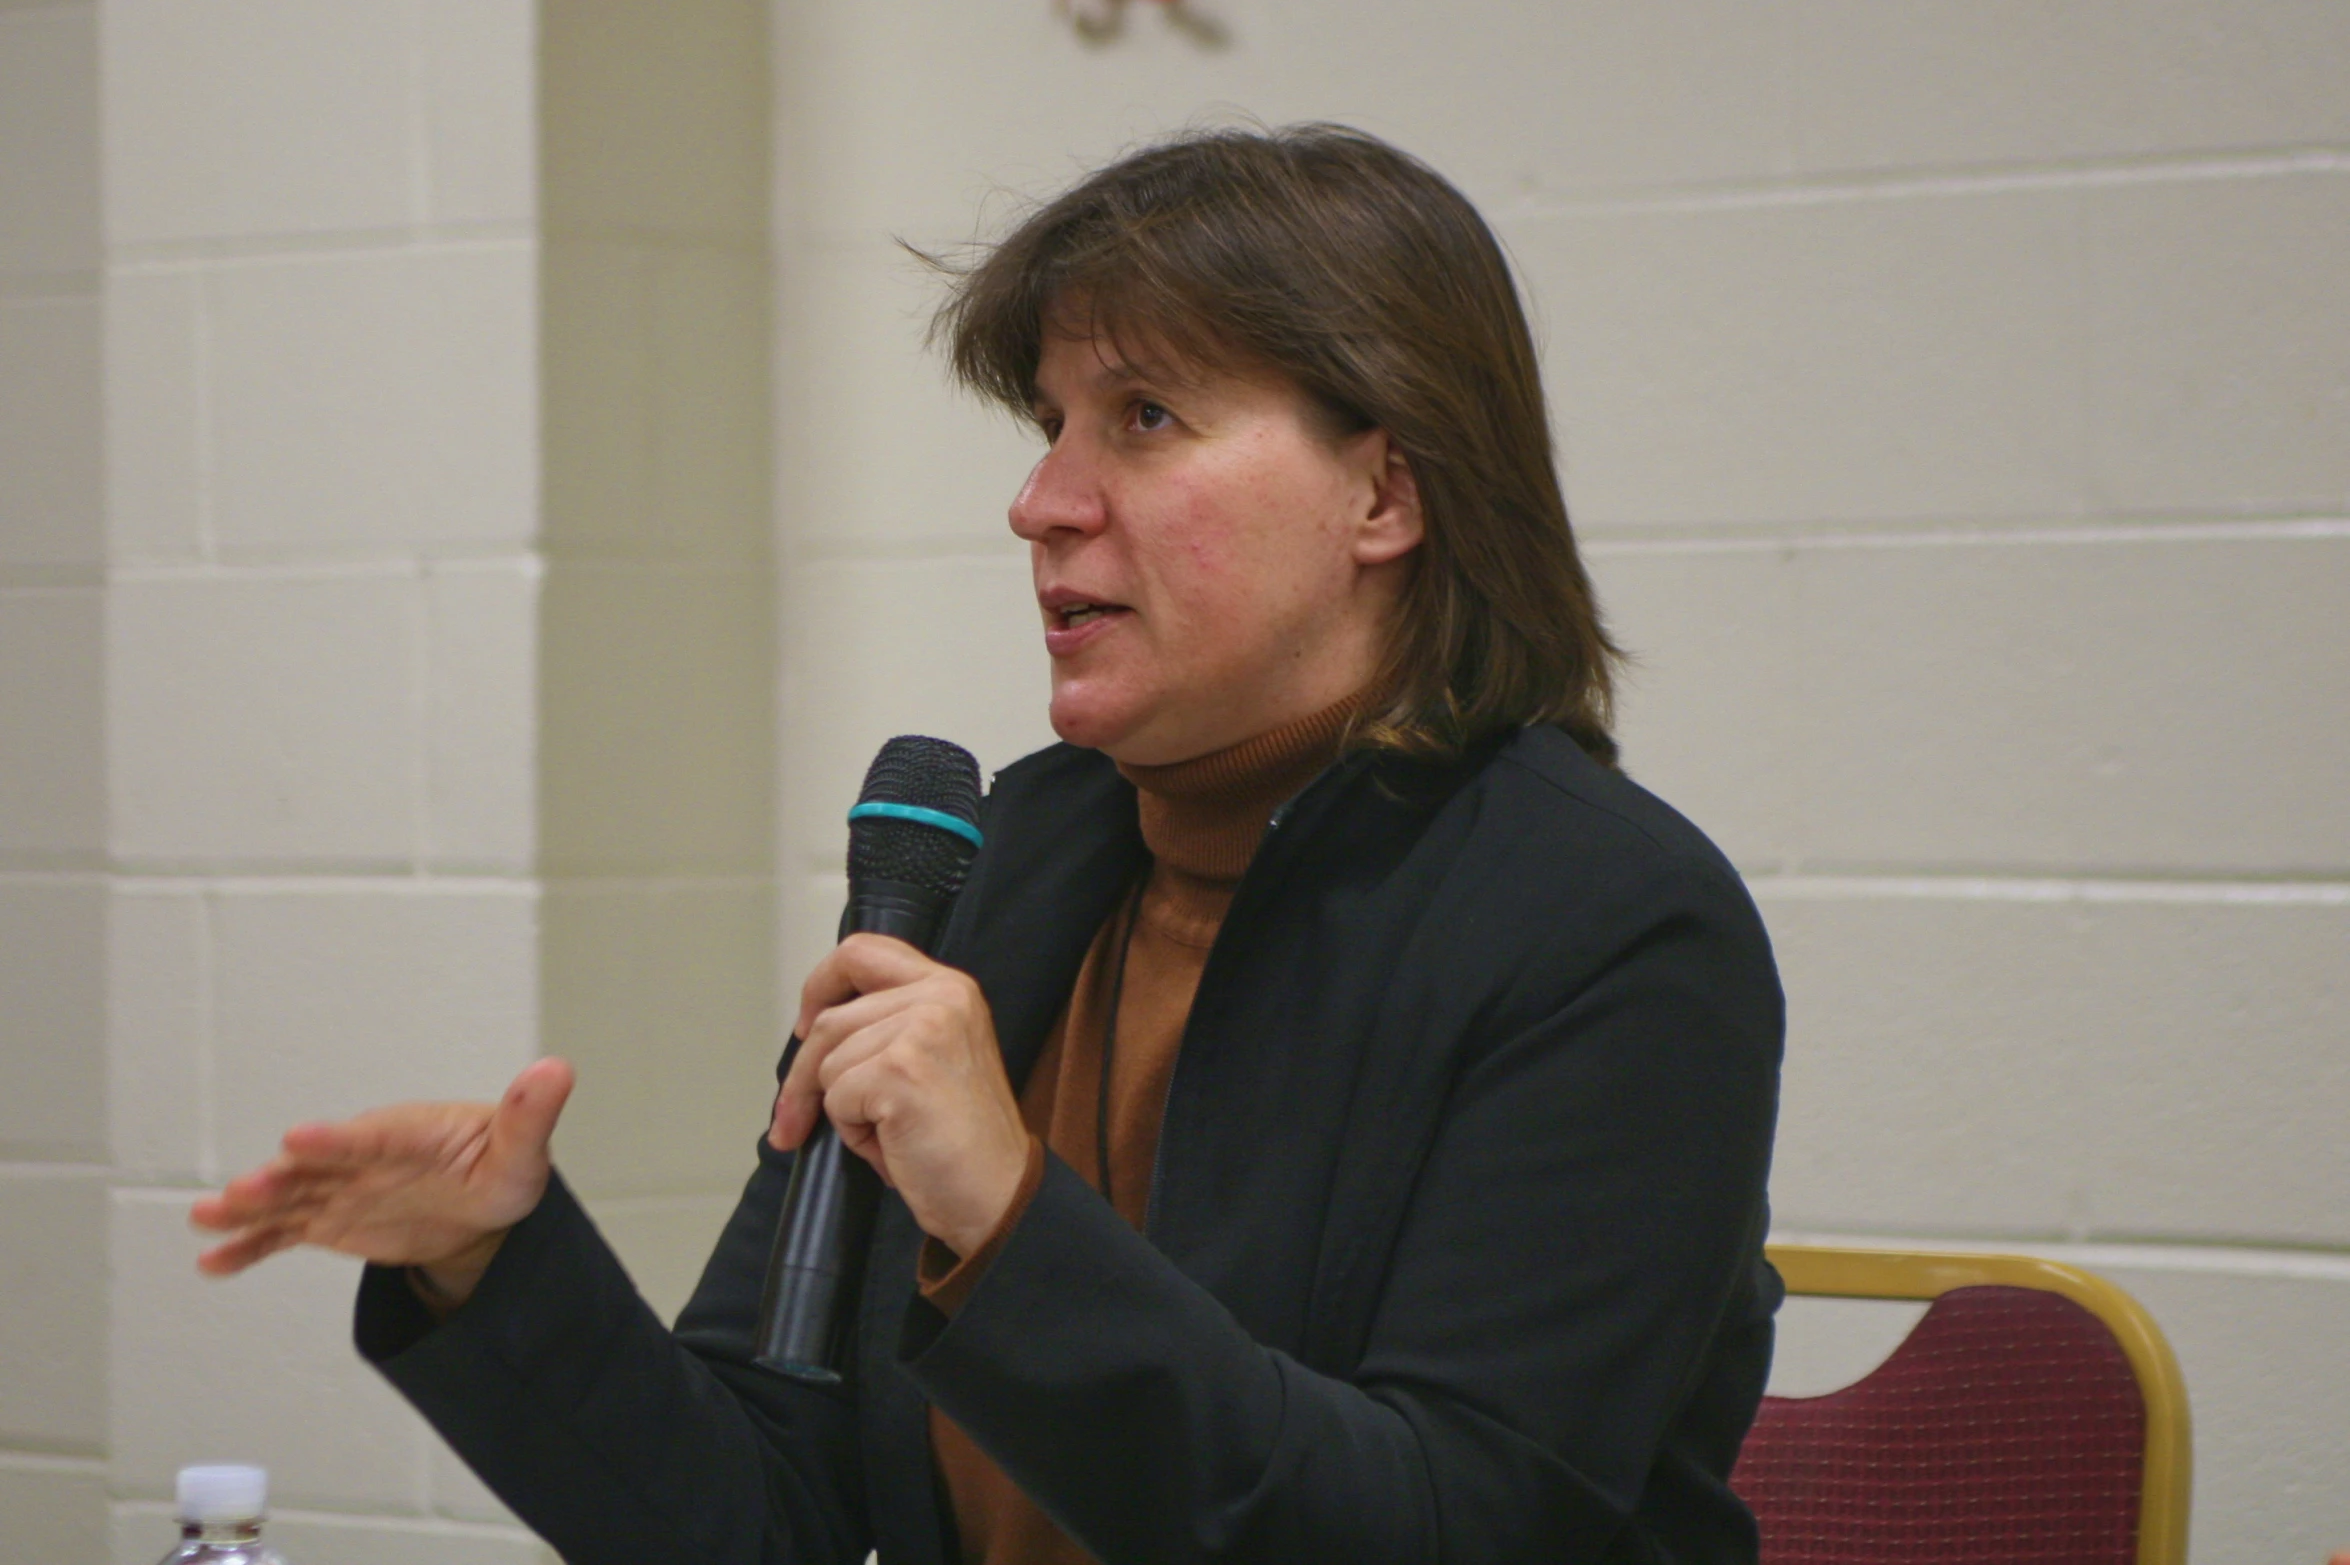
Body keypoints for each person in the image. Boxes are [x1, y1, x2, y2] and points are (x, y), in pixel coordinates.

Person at [192, 124, 1784, 1565]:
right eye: (1047, 424)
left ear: (1384, 491)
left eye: (1144, 417)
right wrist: (492, 1267)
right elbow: (766, 1510)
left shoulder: (1613, 928)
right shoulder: (1008, 856)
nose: (1039, 501)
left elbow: (1449, 1526)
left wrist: (1011, 1215)